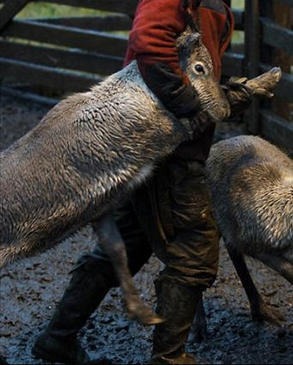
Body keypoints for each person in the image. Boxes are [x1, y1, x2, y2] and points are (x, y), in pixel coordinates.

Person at [31, 0, 236, 363]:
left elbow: (195, 53)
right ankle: (169, 358)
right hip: (168, 145)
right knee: (195, 251)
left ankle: (57, 337)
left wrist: (220, 92)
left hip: (155, 143)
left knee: (127, 242)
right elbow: (149, 37)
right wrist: (186, 103)